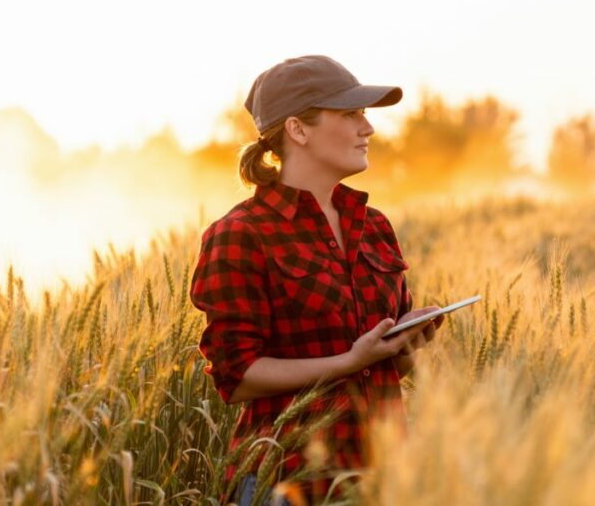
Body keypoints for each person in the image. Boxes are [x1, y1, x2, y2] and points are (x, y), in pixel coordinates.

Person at [189, 55, 445, 506]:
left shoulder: (375, 226)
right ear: (298, 130)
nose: (368, 128)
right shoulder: (241, 235)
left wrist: (405, 345)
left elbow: (383, 370)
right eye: (349, 114)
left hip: (381, 479)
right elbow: (237, 376)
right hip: (288, 484)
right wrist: (347, 361)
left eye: (364, 114)